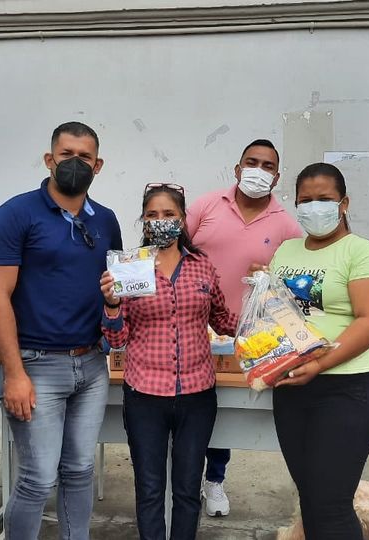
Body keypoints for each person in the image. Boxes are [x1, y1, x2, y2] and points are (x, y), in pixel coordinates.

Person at [0, 121, 122, 539]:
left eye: (84, 157)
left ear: (98, 165)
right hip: (35, 365)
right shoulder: (16, 215)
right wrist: (15, 373)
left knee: (79, 470)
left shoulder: (106, 221)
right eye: (66, 155)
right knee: (38, 478)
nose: (75, 163)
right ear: (49, 159)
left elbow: (114, 287)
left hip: (91, 364)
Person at [101, 184, 238, 539]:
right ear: (143, 221)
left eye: (168, 214)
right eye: (152, 215)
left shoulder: (202, 267)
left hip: (197, 394)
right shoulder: (131, 268)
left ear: (182, 219)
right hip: (145, 395)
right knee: (149, 490)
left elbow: (223, 320)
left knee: (188, 489)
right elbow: (116, 340)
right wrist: (112, 306)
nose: (160, 221)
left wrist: (263, 307)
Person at [268, 163, 369, 539]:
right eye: (305, 200)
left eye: (324, 198)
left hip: (346, 390)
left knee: (331, 504)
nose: (314, 207)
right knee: (310, 498)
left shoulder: (361, 252)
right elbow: (276, 311)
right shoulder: (287, 251)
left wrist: (319, 363)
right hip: (293, 389)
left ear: (344, 203)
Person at [186, 139, 301, 516]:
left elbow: (297, 284)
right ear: (237, 169)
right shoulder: (205, 206)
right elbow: (173, 250)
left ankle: (214, 480)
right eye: (252, 162)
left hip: (244, 334)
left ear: (277, 177)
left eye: (268, 166)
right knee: (186, 409)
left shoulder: (286, 225)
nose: (258, 170)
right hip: (189, 328)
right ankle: (184, 479)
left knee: (224, 412)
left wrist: (272, 277)